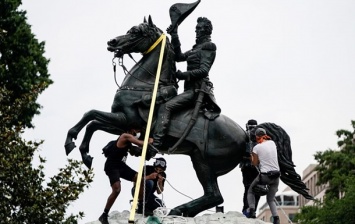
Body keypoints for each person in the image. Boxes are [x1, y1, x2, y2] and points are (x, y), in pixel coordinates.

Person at [152, 17, 220, 149]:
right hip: (189, 89)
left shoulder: (208, 47)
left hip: (196, 91)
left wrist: (183, 75)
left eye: (199, 28)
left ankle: (156, 144)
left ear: (207, 30)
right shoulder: (197, 48)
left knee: (166, 107)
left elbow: (204, 70)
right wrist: (175, 35)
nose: (197, 31)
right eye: (196, 29)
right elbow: (179, 57)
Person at [98, 127, 153, 224]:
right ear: (133, 130)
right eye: (138, 131)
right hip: (112, 166)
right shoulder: (125, 136)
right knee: (117, 190)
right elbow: (141, 143)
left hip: (121, 165)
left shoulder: (129, 143)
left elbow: (135, 151)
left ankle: (141, 205)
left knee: (139, 178)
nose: (139, 133)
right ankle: (104, 214)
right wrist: (149, 140)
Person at [246, 128, 281, 224]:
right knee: (270, 199)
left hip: (265, 176)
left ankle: (252, 211)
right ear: (265, 134)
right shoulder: (272, 143)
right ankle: (276, 219)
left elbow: (254, 163)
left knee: (250, 191)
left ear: (257, 136)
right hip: (276, 176)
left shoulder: (256, 148)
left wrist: (251, 157)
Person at [240, 119, 260, 217]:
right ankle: (247, 209)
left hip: (257, 167)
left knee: (257, 189)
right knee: (249, 188)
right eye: (251, 127)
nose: (252, 130)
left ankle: (252, 209)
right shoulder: (243, 136)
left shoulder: (259, 138)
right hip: (247, 166)